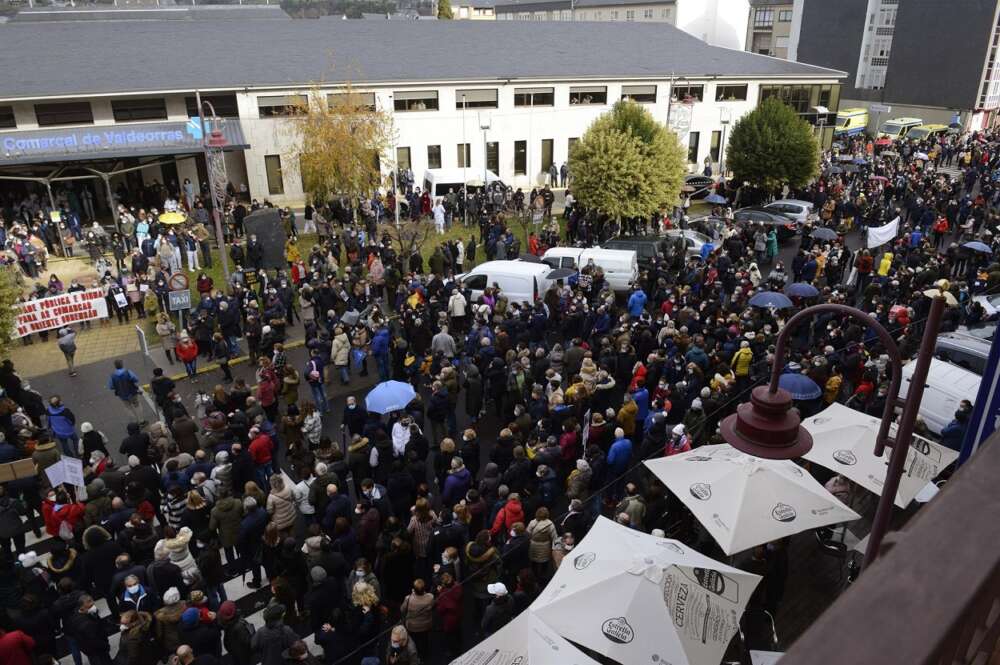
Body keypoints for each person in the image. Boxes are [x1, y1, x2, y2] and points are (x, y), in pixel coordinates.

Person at [108, 359, 144, 424]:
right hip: (132, 393)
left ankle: (134, 422)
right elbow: (136, 379)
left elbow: (111, 387)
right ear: (122, 364)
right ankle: (141, 421)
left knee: (128, 408)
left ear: (115, 366)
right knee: (137, 405)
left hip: (122, 395)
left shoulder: (112, 376)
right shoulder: (128, 372)